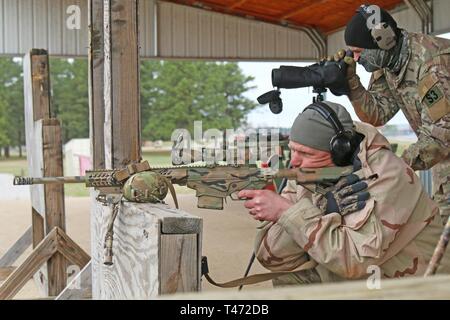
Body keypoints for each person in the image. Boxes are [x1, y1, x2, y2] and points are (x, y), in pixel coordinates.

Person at [238, 101, 449, 285]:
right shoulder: (308, 172)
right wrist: (315, 210)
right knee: (290, 277)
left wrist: (288, 212)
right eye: (292, 149)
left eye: (305, 153)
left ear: (340, 151)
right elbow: (271, 258)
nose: (294, 161)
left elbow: (353, 263)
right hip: (364, 277)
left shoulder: (386, 175)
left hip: (411, 284)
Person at [332, 4, 449, 225]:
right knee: (437, 235)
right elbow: (377, 114)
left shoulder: (431, 65)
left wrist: (389, 166)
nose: (355, 58)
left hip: (442, 146)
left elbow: (440, 138)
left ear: (382, 40)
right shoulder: (388, 61)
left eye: (359, 52)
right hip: (443, 160)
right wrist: (350, 82)